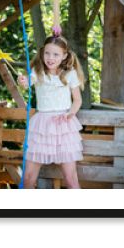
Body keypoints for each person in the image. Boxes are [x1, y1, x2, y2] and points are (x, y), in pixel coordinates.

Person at [18, 35, 85, 189]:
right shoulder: (38, 71)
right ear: (42, 53)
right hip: (42, 126)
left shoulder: (70, 74)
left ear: (64, 56)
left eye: (55, 54)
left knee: (70, 179)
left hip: (64, 125)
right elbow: (27, 83)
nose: (50, 58)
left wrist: (71, 113)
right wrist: (23, 81)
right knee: (28, 178)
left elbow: (77, 100)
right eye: (47, 53)